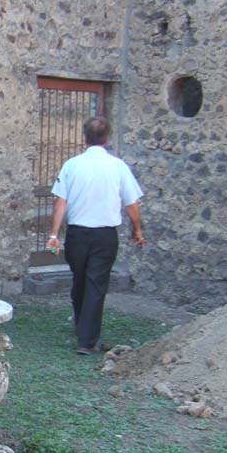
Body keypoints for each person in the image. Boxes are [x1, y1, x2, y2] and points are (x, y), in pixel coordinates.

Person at [46, 116, 145, 354]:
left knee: (80, 280)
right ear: (107, 139)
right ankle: (87, 340)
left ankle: (82, 325)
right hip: (105, 235)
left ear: (84, 138)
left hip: (77, 234)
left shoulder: (72, 165)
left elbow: (61, 202)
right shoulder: (118, 166)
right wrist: (137, 229)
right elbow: (132, 203)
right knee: (96, 283)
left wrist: (53, 235)